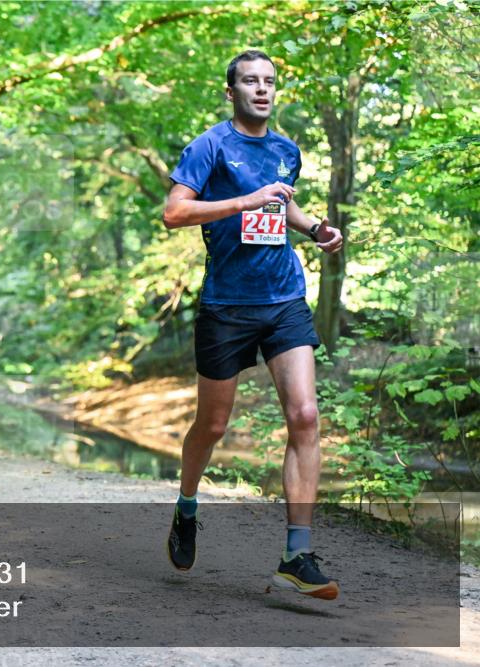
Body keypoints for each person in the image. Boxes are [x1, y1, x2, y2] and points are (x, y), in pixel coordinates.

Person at [161, 50, 344, 600]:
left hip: (283, 297)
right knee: (212, 426)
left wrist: (314, 227)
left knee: (306, 414)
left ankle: (297, 553)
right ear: (231, 90)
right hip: (227, 305)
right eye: (250, 81)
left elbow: (280, 206)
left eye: (268, 82)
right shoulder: (210, 146)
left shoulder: (288, 151)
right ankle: (187, 506)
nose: (261, 90)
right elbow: (174, 212)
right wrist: (245, 200)